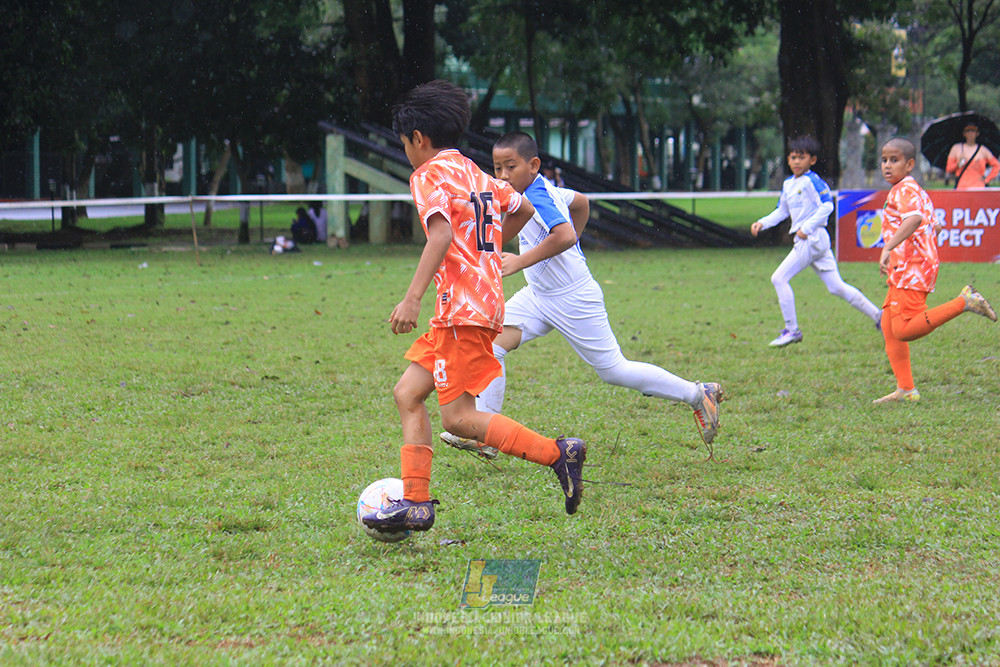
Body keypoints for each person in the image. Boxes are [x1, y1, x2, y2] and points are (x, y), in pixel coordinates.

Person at [361, 81, 587, 537]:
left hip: (460, 311)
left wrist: (411, 298)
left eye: (405, 142)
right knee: (408, 394)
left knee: (459, 419)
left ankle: (558, 453)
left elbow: (441, 235)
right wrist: (486, 249)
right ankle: (417, 504)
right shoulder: (473, 170)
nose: (407, 151)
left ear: (418, 138)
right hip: (474, 306)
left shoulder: (427, 174)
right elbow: (520, 209)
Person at [442, 131, 722, 459]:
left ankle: (696, 393)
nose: (503, 176)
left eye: (510, 167)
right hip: (539, 296)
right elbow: (581, 203)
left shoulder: (539, 194)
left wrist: (523, 259)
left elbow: (562, 234)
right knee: (489, 346)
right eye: (497, 168)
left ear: (533, 165)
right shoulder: (535, 189)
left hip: (573, 298)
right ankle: (486, 435)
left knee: (614, 370)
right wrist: (570, 241)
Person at [874, 137, 996, 404]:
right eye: (884, 160)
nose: (886, 165)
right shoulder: (913, 188)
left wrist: (888, 247)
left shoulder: (903, 190)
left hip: (913, 268)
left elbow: (915, 219)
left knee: (903, 330)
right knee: (887, 324)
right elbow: (935, 225)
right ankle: (906, 389)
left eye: (893, 160)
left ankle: (965, 302)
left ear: (909, 164)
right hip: (907, 265)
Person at [751, 136, 882, 347]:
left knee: (779, 279)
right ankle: (879, 317)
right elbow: (782, 211)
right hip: (816, 241)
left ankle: (792, 330)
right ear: (788, 159)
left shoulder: (813, 181)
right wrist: (762, 223)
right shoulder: (788, 184)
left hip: (811, 239)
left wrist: (806, 228)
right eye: (793, 157)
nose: (796, 161)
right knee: (836, 287)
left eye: (801, 158)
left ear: (812, 160)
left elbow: (827, 205)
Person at [945, 122, 999, 189]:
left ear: (977, 133)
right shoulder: (956, 148)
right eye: (968, 131)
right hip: (961, 187)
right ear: (964, 133)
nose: (970, 133)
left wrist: (987, 180)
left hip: (978, 187)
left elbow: (997, 165)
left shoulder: (983, 150)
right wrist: (957, 164)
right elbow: (948, 168)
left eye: (973, 131)